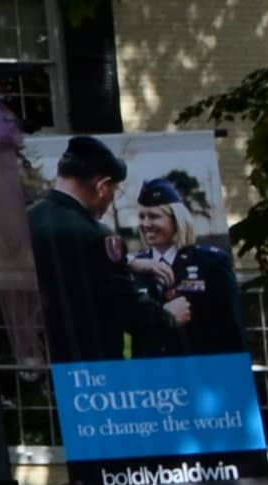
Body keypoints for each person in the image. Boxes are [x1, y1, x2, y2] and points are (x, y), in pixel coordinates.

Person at [30, 135, 186, 363]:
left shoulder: (26, 219)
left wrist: (128, 262)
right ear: (102, 187)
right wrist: (169, 317)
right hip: (90, 367)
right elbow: (125, 307)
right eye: (115, 190)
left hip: (38, 360)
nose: (113, 198)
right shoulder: (95, 236)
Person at [134, 179, 245, 357]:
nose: (146, 224)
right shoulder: (134, 266)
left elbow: (231, 329)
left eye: (154, 216)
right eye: (142, 216)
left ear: (177, 220)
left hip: (200, 373)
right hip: (151, 376)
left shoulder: (211, 262)